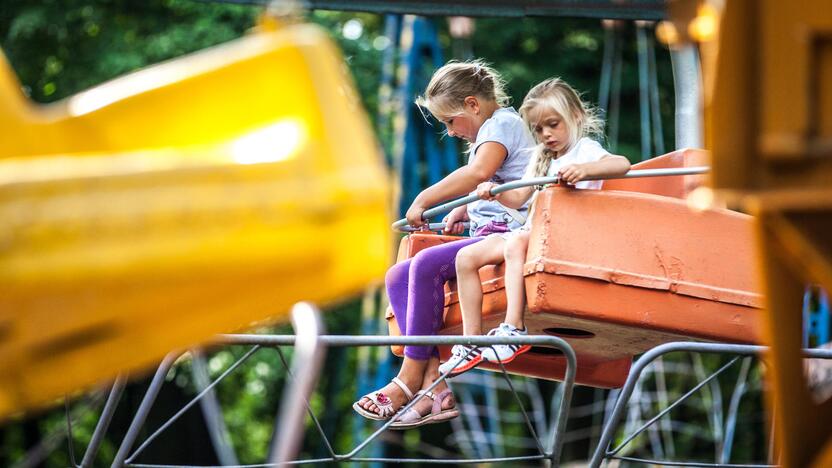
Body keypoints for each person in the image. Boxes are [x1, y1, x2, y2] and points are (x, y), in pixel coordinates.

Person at [353, 60, 535, 426]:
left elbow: (480, 173)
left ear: (472, 104)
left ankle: (408, 379)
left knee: (423, 267)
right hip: (489, 231)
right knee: (396, 276)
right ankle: (434, 384)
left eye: (450, 121)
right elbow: (495, 182)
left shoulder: (501, 124)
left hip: (509, 235)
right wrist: (468, 209)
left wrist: (425, 198)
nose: (450, 132)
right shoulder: (493, 130)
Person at [438, 77, 632, 376]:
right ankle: (471, 340)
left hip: (566, 237)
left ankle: (514, 329)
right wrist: (494, 191)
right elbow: (517, 199)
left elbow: (621, 164)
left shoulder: (583, 150)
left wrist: (584, 170)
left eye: (553, 124)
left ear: (576, 116)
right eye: (539, 129)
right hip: (533, 233)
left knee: (516, 243)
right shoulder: (543, 157)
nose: (546, 134)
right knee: (465, 258)